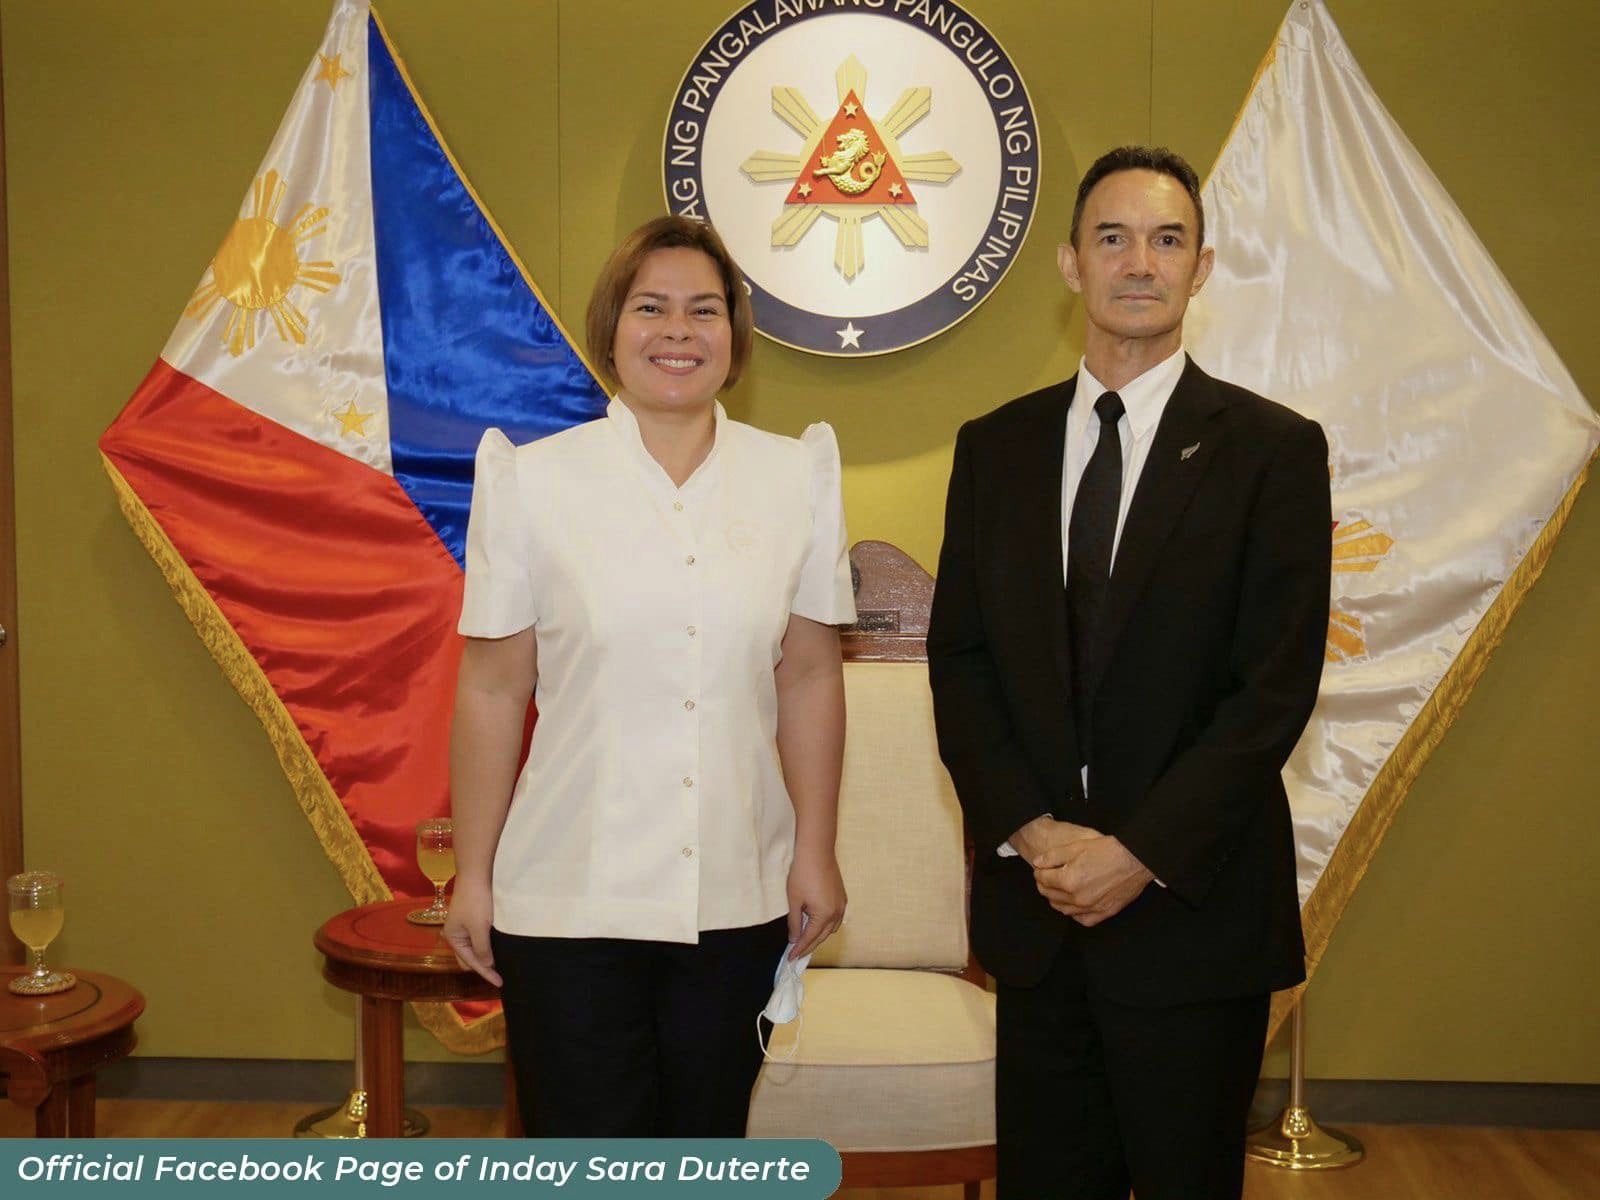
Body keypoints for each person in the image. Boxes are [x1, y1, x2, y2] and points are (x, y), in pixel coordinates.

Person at [926, 146, 1331, 1199]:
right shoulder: (994, 448)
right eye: (1112, 238)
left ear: (1200, 269)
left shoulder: (1271, 451)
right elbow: (960, 662)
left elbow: (1271, 690)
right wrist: (1033, 829)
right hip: (1039, 914)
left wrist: (1137, 853)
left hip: (1191, 921)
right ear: (1070, 264)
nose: (1138, 262)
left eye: (1166, 239)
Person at [443, 215, 855, 1137]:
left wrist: (815, 850)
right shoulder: (532, 481)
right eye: (651, 307)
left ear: (736, 337)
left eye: (704, 310)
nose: (678, 331)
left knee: (705, 1148)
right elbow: (492, 689)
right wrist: (474, 876)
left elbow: (811, 679)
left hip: (740, 893)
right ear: (612, 330)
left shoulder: (796, 478)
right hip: (566, 897)